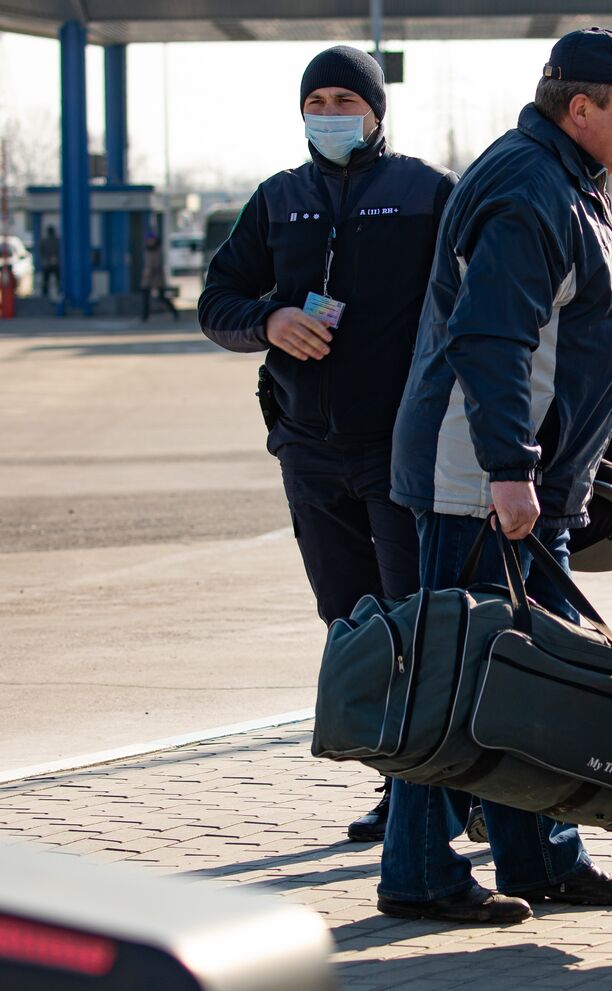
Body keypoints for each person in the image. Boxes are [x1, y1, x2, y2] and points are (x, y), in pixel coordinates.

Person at [385, 26, 612, 925]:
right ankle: (421, 872)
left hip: (519, 485)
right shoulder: (529, 187)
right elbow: (494, 340)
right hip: (478, 482)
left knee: (520, 678)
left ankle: (539, 856)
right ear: (580, 107)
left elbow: (567, 336)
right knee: (457, 678)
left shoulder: (565, 179)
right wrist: (511, 471)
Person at [198, 46, 458, 844]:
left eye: (346, 97)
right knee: (352, 621)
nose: (330, 111)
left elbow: (469, 300)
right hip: (309, 450)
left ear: (377, 110)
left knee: (420, 622)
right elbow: (218, 299)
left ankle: (440, 791)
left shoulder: (428, 193)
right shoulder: (279, 200)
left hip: (400, 450)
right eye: (317, 99)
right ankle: (400, 782)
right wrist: (270, 319)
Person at [141, 233, 178, 320]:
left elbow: (157, 263)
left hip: (157, 277)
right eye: (148, 240)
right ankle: (145, 316)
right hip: (147, 278)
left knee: (162, 296)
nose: (149, 242)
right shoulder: (147, 250)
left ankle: (174, 311)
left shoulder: (158, 250)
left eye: (151, 240)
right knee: (145, 296)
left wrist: (151, 270)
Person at [38, 226, 60, 298]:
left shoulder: (44, 241)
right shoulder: (57, 240)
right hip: (56, 263)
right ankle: (59, 292)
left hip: (47, 263)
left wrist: (45, 258)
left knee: (46, 280)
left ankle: (45, 294)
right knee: (58, 279)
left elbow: (41, 252)